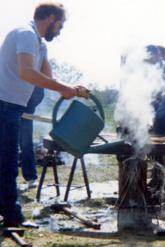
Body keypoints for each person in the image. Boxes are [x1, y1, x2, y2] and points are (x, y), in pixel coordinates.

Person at [0, 2, 89, 227]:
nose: (60, 30)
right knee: (8, 163)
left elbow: (48, 76)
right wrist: (63, 88)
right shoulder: (26, 34)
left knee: (7, 161)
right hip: (4, 104)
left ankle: (9, 214)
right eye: (60, 25)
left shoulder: (39, 44)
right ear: (50, 18)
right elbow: (26, 71)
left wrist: (72, 88)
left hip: (12, 106)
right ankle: (12, 217)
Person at [20, 86, 44, 188]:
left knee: (26, 143)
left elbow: (39, 94)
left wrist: (28, 107)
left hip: (25, 110)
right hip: (6, 106)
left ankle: (30, 177)